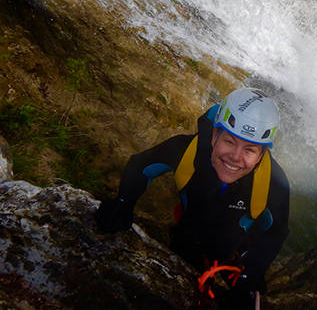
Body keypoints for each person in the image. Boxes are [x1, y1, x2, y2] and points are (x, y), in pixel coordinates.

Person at [95, 87, 290, 309]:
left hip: (235, 253)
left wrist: (250, 275)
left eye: (250, 150)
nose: (235, 157)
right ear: (215, 135)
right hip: (188, 237)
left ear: (262, 155)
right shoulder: (188, 150)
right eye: (229, 141)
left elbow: (277, 232)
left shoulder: (274, 185)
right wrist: (123, 203)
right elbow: (140, 166)